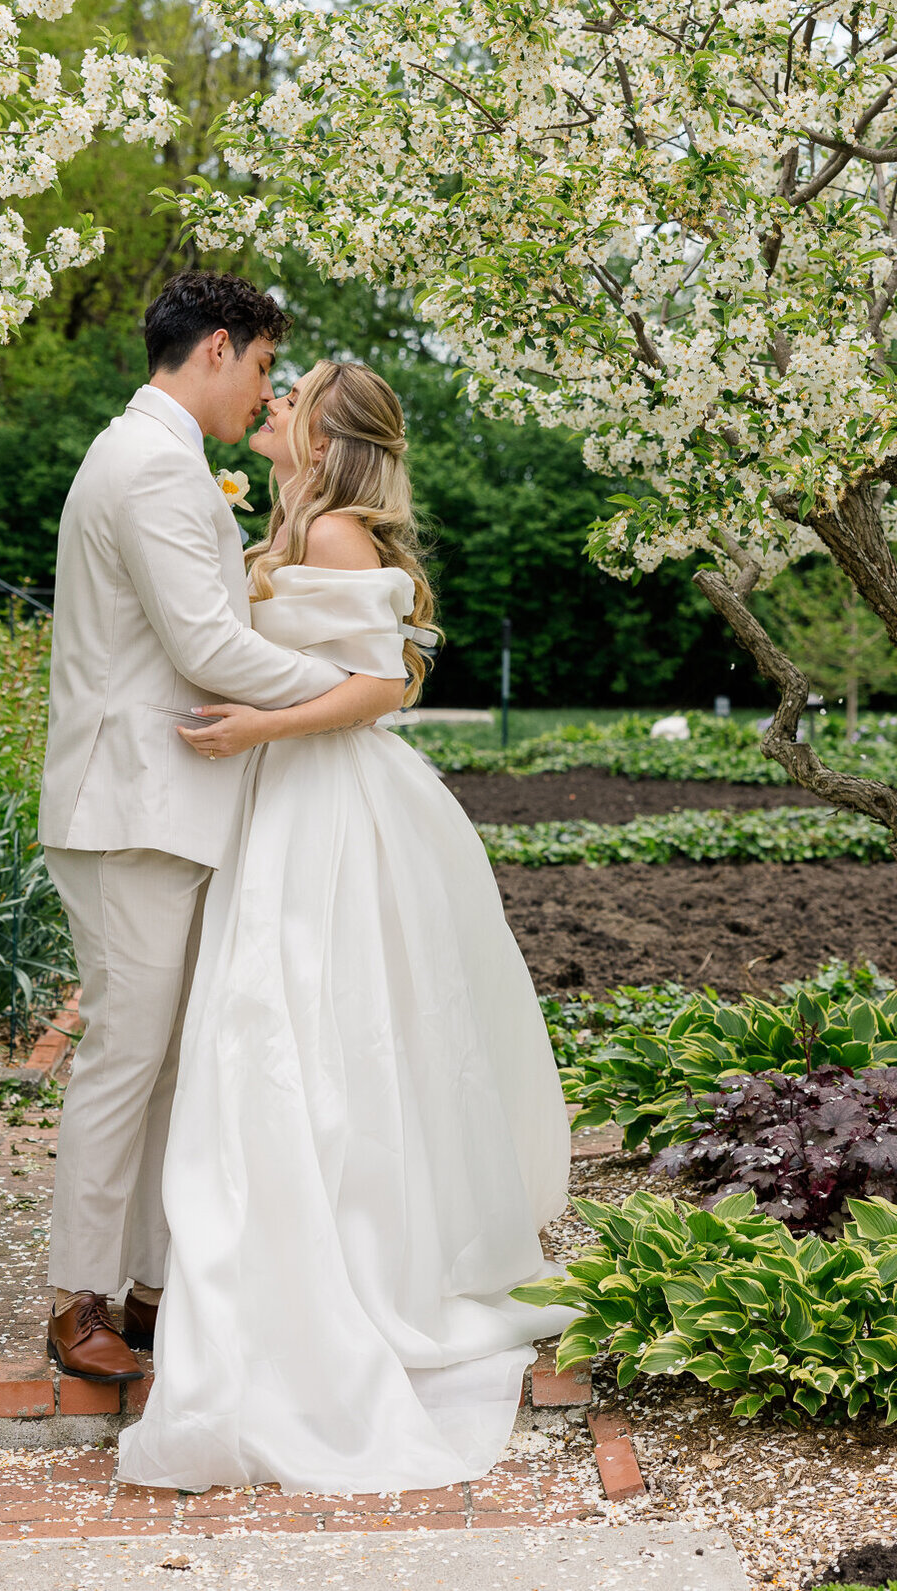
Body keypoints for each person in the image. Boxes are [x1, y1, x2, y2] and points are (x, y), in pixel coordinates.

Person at [116, 359, 573, 1492]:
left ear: (325, 435)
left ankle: (338, 1260)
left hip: (325, 804)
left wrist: (256, 730)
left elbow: (377, 684)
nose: (271, 404)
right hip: (286, 796)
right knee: (280, 1026)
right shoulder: (297, 526)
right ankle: (273, 1246)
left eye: (292, 396)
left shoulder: (338, 541)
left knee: (310, 1026)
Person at [37, 276, 405, 1385]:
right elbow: (205, 643)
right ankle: (77, 1297)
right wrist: (350, 684)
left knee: (162, 1065)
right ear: (217, 347)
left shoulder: (156, 455)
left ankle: (148, 1286)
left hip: (164, 806)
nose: (263, 395)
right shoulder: (150, 463)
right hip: (132, 809)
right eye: (259, 369)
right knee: (125, 1058)